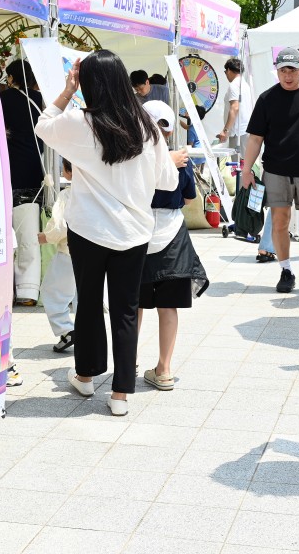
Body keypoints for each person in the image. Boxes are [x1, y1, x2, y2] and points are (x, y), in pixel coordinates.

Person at [35, 50, 184, 416]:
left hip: (88, 229)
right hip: (134, 232)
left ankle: (85, 376)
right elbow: (168, 180)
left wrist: (68, 91)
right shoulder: (146, 126)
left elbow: (43, 125)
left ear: (87, 83)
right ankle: (120, 394)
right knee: (126, 310)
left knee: (87, 304)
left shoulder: (79, 121)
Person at [242, 47, 299, 293]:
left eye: (292, 70)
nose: (287, 75)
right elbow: (255, 138)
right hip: (276, 170)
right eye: (283, 71)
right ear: (277, 71)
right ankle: (286, 270)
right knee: (280, 222)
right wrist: (246, 169)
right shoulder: (267, 98)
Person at [137, 100, 209, 391]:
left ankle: (127, 363)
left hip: (137, 233)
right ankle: (164, 370)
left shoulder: (130, 159)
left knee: (133, 304)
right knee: (168, 306)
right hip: (172, 235)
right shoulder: (180, 159)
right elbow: (190, 198)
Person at [0, 60, 46, 307]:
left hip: (11, 169)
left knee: (7, 234)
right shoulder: (39, 99)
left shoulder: (5, 99)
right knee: (29, 232)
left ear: (12, 77)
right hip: (35, 168)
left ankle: (6, 289)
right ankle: (28, 290)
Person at [38, 159, 76, 354]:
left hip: (69, 253)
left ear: (68, 172)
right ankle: (86, 332)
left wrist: (45, 237)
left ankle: (66, 329)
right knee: (84, 295)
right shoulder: (99, 191)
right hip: (97, 251)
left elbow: (60, 227)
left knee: (51, 291)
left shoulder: (67, 194)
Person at [216, 57, 252, 164]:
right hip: (245, 130)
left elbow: (235, 107)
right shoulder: (245, 84)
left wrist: (225, 130)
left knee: (238, 166)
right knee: (244, 164)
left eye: (225, 72)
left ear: (228, 70)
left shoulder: (234, 85)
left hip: (238, 132)